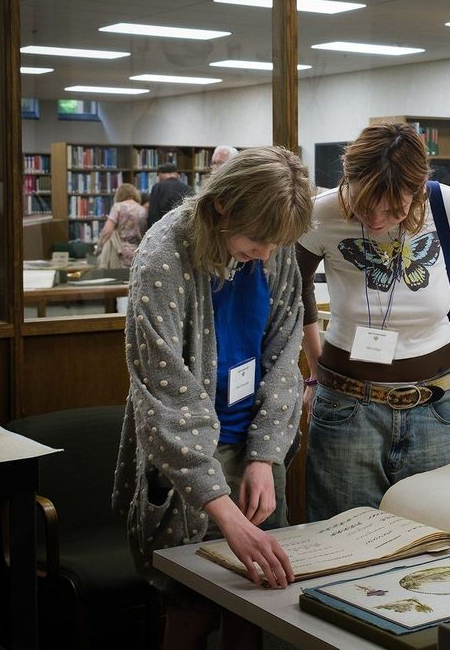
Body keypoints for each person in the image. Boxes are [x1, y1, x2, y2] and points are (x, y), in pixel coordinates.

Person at [111, 146, 313, 650]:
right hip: (190, 455)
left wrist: (265, 457)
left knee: (257, 597)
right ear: (221, 206)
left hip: (255, 446)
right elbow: (163, 399)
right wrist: (222, 509)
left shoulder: (274, 244)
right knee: (192, 603)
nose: (267, 253)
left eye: (276, 244)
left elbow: (285, 355)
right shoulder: (162, 256)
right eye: (258, 241)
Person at [296, 122, 450, 521]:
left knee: (435, 539)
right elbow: (297, 291)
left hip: (437, 408)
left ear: (417, 190)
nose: (377, 219)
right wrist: (314, 369)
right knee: (340, 541)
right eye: (364, 206)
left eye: (395, 210)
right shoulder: (322, 213)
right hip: (347, 409)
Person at [97, 183, 147, 269]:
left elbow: (107, 230)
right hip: (137, 252)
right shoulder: (142, 210)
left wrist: (100, 247)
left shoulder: (118, 207)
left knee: (117, 279)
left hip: (119, 252)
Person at [147, 162, 193, 228]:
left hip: (163, 230)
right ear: (177, 174)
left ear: (161, 174)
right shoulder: (188, 188)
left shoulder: (158, 187)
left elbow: (153, 214)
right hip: (183, 229)